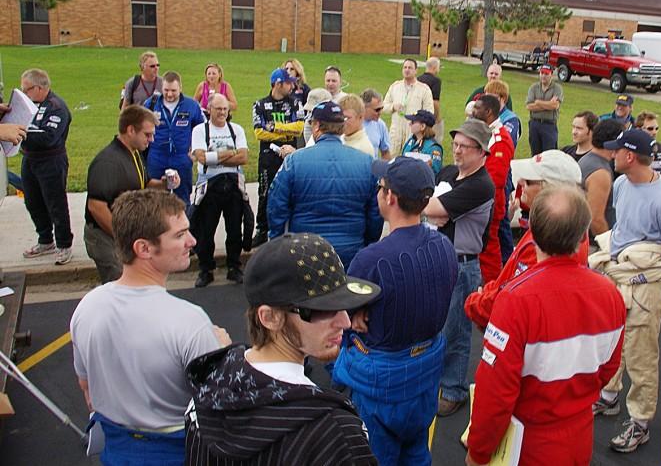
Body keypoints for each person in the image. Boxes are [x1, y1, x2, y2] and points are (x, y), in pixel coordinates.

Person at [184, 233, 379, 466]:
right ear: (269, 317)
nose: (345, 322)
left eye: (344, 305)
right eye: (321, 309)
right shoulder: (336, 432)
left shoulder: (205, 391)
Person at [466, 185, 626, 466]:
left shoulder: (516, 300)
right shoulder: (609, 293)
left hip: (529, 442)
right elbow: (608, 369)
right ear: (581, 237)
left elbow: (495, 392)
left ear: (533, 232)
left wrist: (478, 452)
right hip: (579, 435)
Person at [71, 189, 228, 465]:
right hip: (179, 453)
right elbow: (219, 406)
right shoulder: (189, 321)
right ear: (143, 248)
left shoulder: (87, 307)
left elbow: (87, 388)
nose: (192, 241)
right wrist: (225, 351)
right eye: (179, 235)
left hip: (115, 450)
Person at [333, 157, 457, 465]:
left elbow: (340, 313)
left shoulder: (371, 259)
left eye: (381, 187)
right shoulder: (443, 246)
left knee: (375, 457)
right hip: (426, 372)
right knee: (416, 452)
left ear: (390, 197)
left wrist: (355, 314)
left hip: (382, 383)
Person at [590, 129, 661, 453]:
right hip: (618, 275)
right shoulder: (620, 184)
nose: (612, 155)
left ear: (629, 157)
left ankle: (641, 421)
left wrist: (644, 265)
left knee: (641, 353)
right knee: (613, 339)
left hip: (646, 285)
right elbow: (622, 229)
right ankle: (608, 397)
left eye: (616, 151)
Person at [465, 149, 588, 330]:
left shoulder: (546, 240)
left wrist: (474, 303)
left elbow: (509, 298)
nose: (521, 183)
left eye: (529, 181)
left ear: (549, 191)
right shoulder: (567, 228)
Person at [423, 118, 495, 417]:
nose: (457, 151)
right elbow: (429, 207)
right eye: (456, 144)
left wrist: (434, 209)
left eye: (465, 147)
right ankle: (437, 382)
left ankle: (454, 389)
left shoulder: (481, 185)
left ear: (482, 152)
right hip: (437, 256)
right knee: (434, 326)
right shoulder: (451, 172)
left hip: (461, 265)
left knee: (455, 331)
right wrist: (433, 210)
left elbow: (431, 208)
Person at [267, 101, 382, 268]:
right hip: (352, 251)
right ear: (342, 127)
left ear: (316, 127)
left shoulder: (294, 161)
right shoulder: (367, 162)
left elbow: (276, 207)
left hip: (305, 251)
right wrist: (367, 244)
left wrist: (277, 244)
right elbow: (375, 214)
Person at [85, 106, 176, 284]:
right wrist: (122, 237)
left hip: (122, 234)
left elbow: (144, 184)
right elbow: (96, 206)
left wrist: (164, 184)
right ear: (130, 130)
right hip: (106, 238)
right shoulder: (108, 162)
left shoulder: (134, 153)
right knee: (121, 287)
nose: (151, 139)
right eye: (147, 134)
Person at [191, 94, 249, 287]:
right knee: (206, 229)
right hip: (210, 185)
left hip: (232, 184)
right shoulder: (200, 130)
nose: (222, 112)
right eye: (218, 109)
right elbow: (201, 158)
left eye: (225, 109)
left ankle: (234, 266)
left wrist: (214, 156)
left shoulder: (236, 129)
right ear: (209, 110)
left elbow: (243, 158)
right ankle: (205, 269)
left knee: (234, 229)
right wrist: (230, 153)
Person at [18, 68, 74, 265]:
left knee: (55, 203)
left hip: (51, 161)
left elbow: (49, 138)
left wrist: (21, 132)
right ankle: (45, 239)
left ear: (40, 87)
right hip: (29, 160)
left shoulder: (56, 107)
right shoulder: (26, 107)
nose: (24, 94)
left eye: (27, 90)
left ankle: (64, 243)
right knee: (32, 202)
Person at [251, 68, 305, 247]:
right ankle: (262, 230)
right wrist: (283, 133)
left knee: (291, 193)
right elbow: (259, 133)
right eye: (288, 83)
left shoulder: (295, 103)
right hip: (268, 157)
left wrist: (275, 127)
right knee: (265, 192)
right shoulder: (259, 104)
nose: (292, 86)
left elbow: (298, 128)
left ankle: (289, 230)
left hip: (290, 155)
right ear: (278, 83)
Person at [143, 71, 204, 205]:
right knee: (154, 199)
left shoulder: (191, 105)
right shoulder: (151, 104)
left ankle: (182, 225)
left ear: (180, 88)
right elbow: (141, 128)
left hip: (181, 158)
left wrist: (195, 150)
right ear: (161, 88)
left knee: (182, 201)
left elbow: (202, 129)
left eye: (173, 90)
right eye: (166, 90)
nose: (169, 94)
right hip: (157, 156)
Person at [471, 95, 515, 284]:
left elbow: (494, 179)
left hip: (490, 202)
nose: (473, 111)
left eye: (477, 108)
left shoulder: (500, 139)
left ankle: (492, 287)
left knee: (489, 247)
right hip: (484, 199)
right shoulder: (487, 133)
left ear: (488, 112)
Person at [579, 118, 623, 241]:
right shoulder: (600, 173)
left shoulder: (587, 159)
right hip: (594, 245)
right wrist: (609, 246)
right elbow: (596, 219)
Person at [384, 58, 434, 156]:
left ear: (416, 71)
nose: (407, 70)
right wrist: (393, 107)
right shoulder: (395, 86)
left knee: (409, 162)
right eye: (405, 67)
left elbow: (429, 112)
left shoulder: (424, 89)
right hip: (396, 133)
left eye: (410, 68)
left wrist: (419, 124)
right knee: (391, 161)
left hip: (413, 133)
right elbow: (384, 106)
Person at [525, 64, 563, 155]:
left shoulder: (557, 88)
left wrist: (538, 102)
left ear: (551, 75)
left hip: (549, 125)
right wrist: (548, 104)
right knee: (535, 154)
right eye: (542, 73)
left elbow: (555, 106)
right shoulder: (533, 87)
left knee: (549, 155)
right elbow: (529, 106)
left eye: (546, 74)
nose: (543, 76)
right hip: (535, 124)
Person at [401, 109, 443, 175]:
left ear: (422, 126)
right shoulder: (411, 141)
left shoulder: (434, 148)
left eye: (413, 122)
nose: (409, 124)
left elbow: (435, 173)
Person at [484, 79, 520, 146]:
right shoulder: (483, 114)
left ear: (503, 98)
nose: (488, 101)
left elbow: (505, 142)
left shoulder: (511, 119)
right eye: (487, 97)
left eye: (493, 98)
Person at [418, 57, 444, 142]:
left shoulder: (418, 79)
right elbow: (435, 101)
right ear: (434, 67)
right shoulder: (436, 81)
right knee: (436, 138)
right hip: (430, 114)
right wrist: (437, 118)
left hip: (418, 113)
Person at [361, 89, 391, 160]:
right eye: (377, 109)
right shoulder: (351, 123)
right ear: (364, 107)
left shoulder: (380, 125)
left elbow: (385, 152)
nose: (380, 112)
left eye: (382, 108)